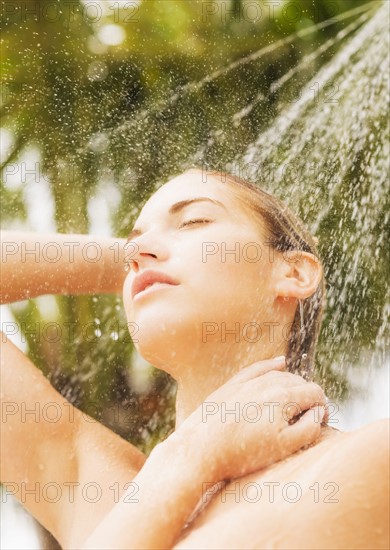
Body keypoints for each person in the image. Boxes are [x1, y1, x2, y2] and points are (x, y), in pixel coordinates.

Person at [0, 168, 388, 549]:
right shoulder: (108, 496)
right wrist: (127, 261)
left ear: (295, 272)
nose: (140, 253)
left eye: (193, 221)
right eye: (134, 245)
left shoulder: (370, 465)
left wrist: (191, 455)